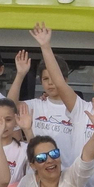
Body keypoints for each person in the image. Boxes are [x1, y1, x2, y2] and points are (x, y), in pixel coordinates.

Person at [9, 23, 81, 164]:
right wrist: (20, 74)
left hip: (67, 173)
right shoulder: (36, 105)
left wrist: (45, 46)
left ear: (64, 80)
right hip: (37, 172)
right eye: (45, 79)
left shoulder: (77, 107)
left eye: (54, 78)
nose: (50, 83)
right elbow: (9, 106)